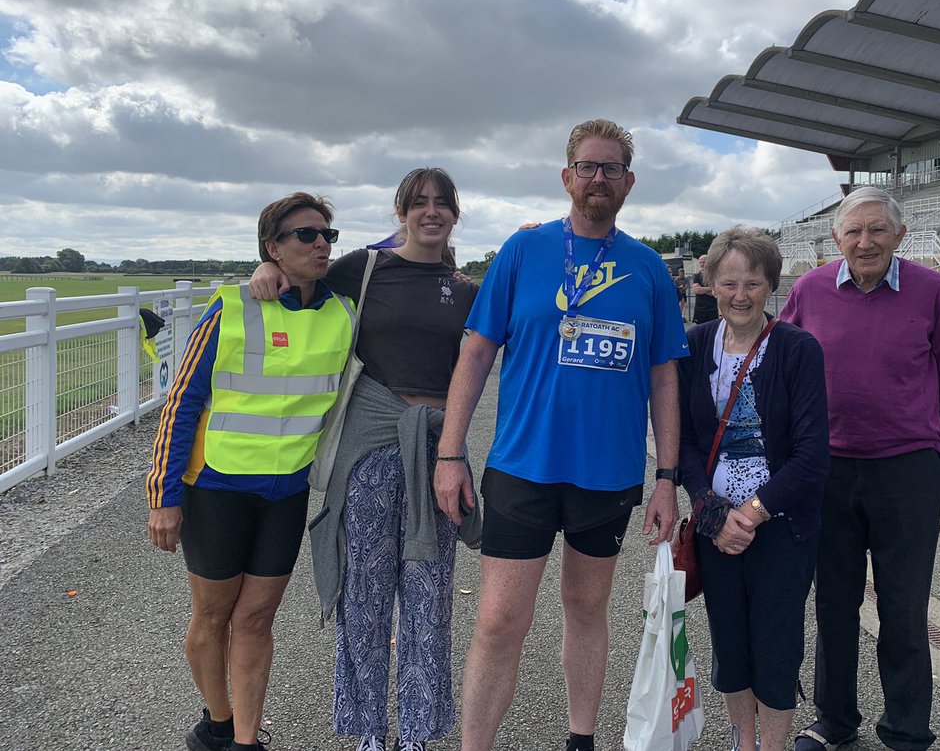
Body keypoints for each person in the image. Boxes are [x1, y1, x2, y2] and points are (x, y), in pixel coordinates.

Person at [433, 118, 689, 751]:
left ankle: (581, 739)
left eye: (611, 168)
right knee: (499, 621)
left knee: (586, 608)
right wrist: (450, 452)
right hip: (523, 465)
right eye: (588, 166)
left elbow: (664, 378)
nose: (599, 177)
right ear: (567, 176)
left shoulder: (648, 269)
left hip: (608, 473)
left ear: (629, 181)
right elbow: (476, 353)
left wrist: (666, 478)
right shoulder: (524, 251)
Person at [249, 168, 481, 751]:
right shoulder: (363, 267)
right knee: (365, 594)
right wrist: (266, 270)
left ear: (456, 214)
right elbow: (301, 278)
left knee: (429, 596)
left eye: (442, 203)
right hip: (369, 448)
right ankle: (368, 730)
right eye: (418, 202)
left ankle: (418, 731)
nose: (431, 212)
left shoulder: (465, 287)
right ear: (400, 212)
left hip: (435, 450)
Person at [147, 193, 356, 751]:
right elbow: (181, 403)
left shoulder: (344, 311)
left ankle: (245, 740)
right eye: (306, 235)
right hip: (217, 487)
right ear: (273, 247)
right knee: (213, 616)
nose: (321, 244)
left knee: (258, 619)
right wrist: (163, 496)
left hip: (287, 492)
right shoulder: (232, 308)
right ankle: (217, 724)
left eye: (328, 235)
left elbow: (403, 246)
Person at [779, 186, 940, 751]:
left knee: (903, 606)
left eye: (878, 230)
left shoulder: (933, 291)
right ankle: (834, 721)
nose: (866, 242)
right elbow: (778, 364)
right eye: (854, 231)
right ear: (835, 238)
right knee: (834, 603)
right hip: (827, 468)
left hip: (907, 469)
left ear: (900, 236)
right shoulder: (810, 289)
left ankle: (906, 729)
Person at [678, 226, 830, 751]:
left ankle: (774, 746)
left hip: (782, 525)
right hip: (715, 525)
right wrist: (712, 513)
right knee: (730, 643)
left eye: (753, 283)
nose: (740, 295)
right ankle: (744, 744)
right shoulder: (695, 345)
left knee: (776, 644)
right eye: (729, 283)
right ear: (712, 285)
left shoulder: (798, 349)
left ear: (771, 286)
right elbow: (685, 443)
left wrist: (752, 514)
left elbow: (812, 455)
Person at [692, 252, 719, 325]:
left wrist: (702, 290)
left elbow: (717, 292)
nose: (702, 264)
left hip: (713, 309)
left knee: (712, 329)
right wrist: (711, 288)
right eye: (700, 262)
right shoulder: (697, 276)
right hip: (700, 309)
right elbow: (697, 290)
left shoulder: (715, 276)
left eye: (704, 262)